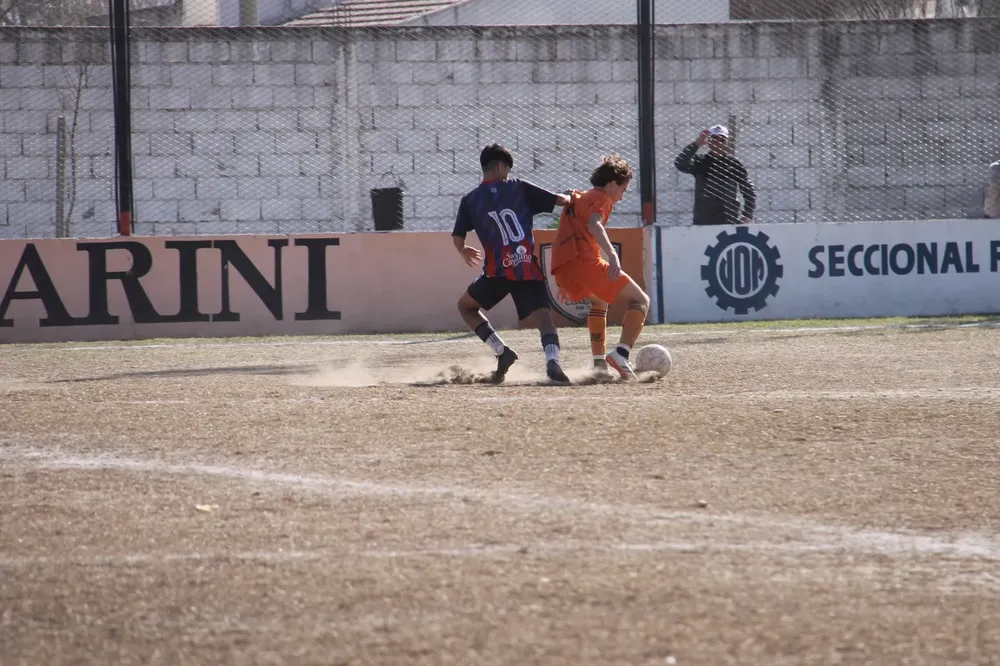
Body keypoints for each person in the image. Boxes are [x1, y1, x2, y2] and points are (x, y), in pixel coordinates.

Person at [452, 143, 573, 384]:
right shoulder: (518, 188)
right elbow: (561, 201)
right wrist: (574, 197)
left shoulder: (470, 200)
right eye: (507, 168)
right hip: (526, 265)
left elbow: (458, 237)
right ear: (499, 166)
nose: (508, 173)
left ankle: (501, 350)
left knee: (466, 307)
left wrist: (464, 251)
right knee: (544, 319)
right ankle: (553, 363)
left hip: (497, 271)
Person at [550, 154, 650, 381]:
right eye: (623, 190)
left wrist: (568, 275)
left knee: (599, 301)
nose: (622, 197)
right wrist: (613, 255)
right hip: (584, 262)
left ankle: (599, 365)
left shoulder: (578, 196)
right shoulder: (602, 197)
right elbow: (594, 224)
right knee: (641, 300)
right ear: (612, 184)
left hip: (564, 265)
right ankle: (621, 353)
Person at [674, 125, 757, 226]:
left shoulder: (733, 164)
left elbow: (748, 189)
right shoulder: (700, 161)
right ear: (709, 141)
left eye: (722, 139)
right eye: (714, 139)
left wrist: (747, 214)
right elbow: (680, 164)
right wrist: (696, 144)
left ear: (727, 142)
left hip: (728, 218)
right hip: (703, 219)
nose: (718, 143)